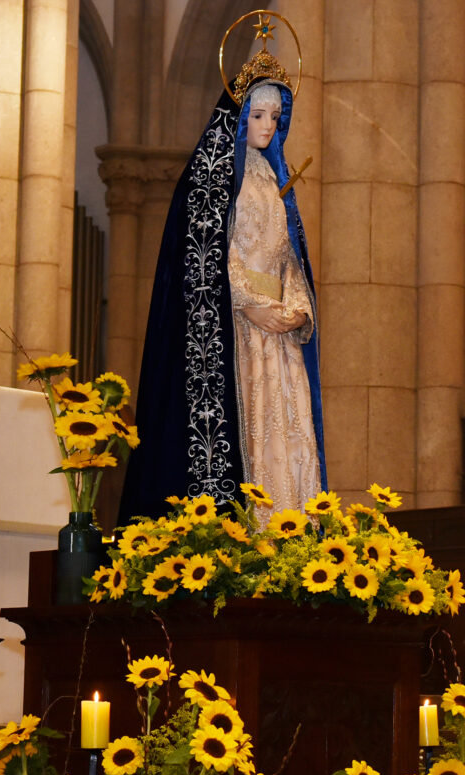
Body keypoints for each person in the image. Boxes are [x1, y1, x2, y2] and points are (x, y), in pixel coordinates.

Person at [119, 42, 326, 522]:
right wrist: (252, 303)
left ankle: (290, 536)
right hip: (239, 329)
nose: (268, 126)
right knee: (248, 426)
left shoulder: (276, 181)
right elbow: (207, 252)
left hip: (278, 338)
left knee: (287, 432)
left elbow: (289, 258)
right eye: (258, 115)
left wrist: (296, 306)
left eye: (276, 116)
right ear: (237, 115)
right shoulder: (213, 176)